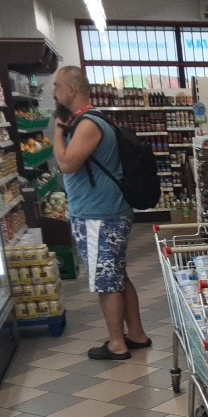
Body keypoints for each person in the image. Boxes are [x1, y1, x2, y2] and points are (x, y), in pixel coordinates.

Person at [53, 66, 150, 360]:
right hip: (107, 211)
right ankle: (136, 334)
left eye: (57, 86)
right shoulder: (94, 120)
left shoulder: (88, 124)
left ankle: (117, 344)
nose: (54, 92)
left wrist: (58, 131)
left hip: (98, 215)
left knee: (106, 282)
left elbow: (67, 164)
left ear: (72, 89)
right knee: (117, 276)